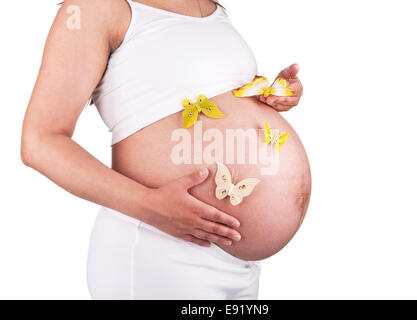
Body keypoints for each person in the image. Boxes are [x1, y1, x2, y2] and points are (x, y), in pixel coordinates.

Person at [21, 0, 305, 299]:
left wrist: (271, 98)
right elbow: (40, 141)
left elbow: (207, 96)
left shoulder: (210, 8)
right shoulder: (92, 8)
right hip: (159, 247)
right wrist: (150, 204)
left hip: (239, 264)